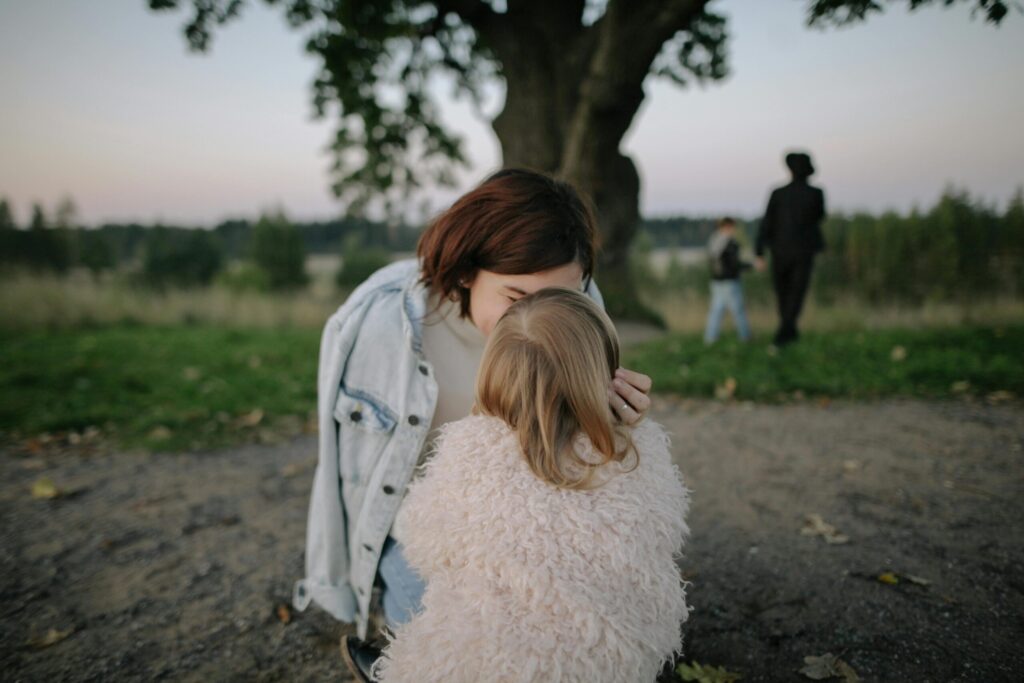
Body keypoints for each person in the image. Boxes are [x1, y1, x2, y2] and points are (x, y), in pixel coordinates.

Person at [289, 168, 656, 681]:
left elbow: (588, 464)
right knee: (452, 636)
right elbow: (341, 470)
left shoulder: (585, 310)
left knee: (579, 637)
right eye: (516, 297)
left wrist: (618, 423)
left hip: (536, 526)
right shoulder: (379, 323)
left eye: (563, 298)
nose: (544, 319)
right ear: (465, 273)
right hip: (425, 529)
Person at [371, 287, 690, 683]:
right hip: (612, 662)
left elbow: (424, 545)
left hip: (484, 667)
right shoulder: (635, 449)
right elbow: (665, 537)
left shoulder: (471, 446)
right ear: (605, 373)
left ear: (493, 370)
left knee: (399, 561)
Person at [755, 151, 826, 346]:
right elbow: (819, 218)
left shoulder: (778, 194)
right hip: (803, 251)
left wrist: (759, 251)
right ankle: (788, 330)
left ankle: (784, 332)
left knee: (784, 291)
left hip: (781, 251)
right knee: (796, 292)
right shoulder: (816, 194)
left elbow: (766, 223)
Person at [704, 216, 752, 344]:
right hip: (730, 281)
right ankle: (745, 337)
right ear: (728, 227)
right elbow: (734, 264)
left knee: (716, 311)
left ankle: (710, 339)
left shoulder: (714, 241)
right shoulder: (729, 243)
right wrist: (751, 265)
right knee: (739, 310)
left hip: (716, 281)